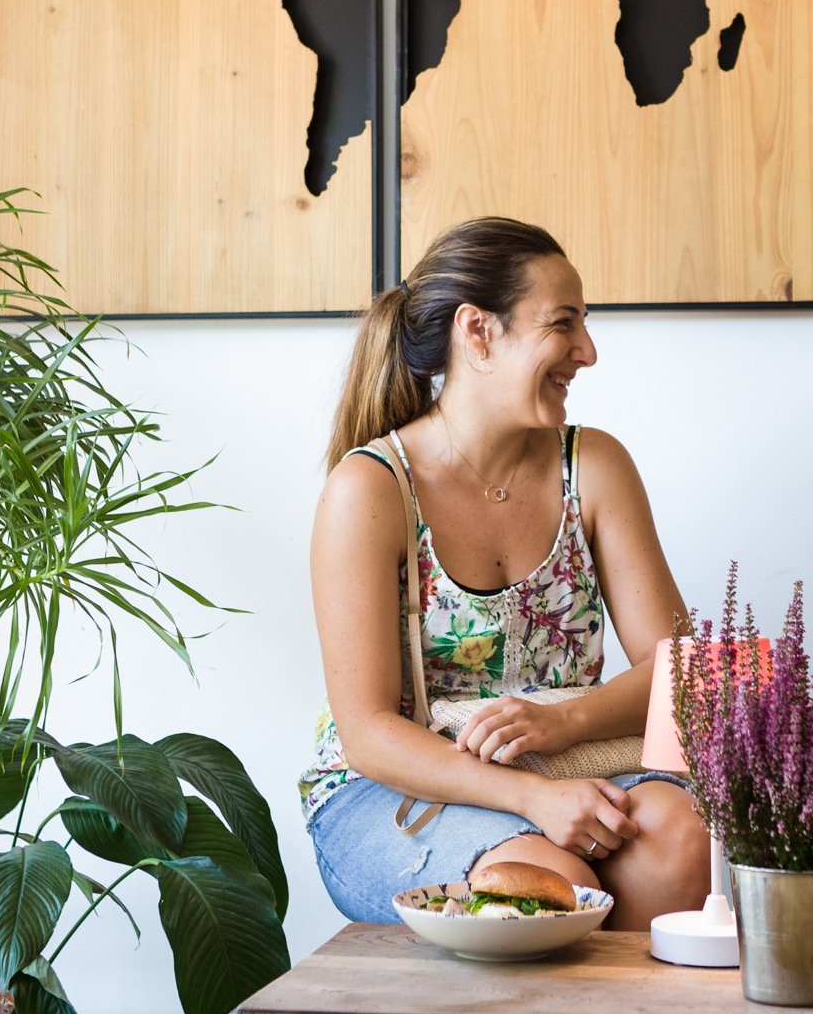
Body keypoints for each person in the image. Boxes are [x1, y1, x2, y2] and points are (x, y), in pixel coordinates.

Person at [302, 217, 710, 930]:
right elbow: (366, 731)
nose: (587, 351)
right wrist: (530, 800)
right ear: (478, 332)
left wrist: (564, 720)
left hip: (570, 761)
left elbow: (683, 669)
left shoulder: (595, 466)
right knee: (544, 886)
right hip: (388, 788)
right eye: (563, 324)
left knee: (682, 844)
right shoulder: (368, 489)